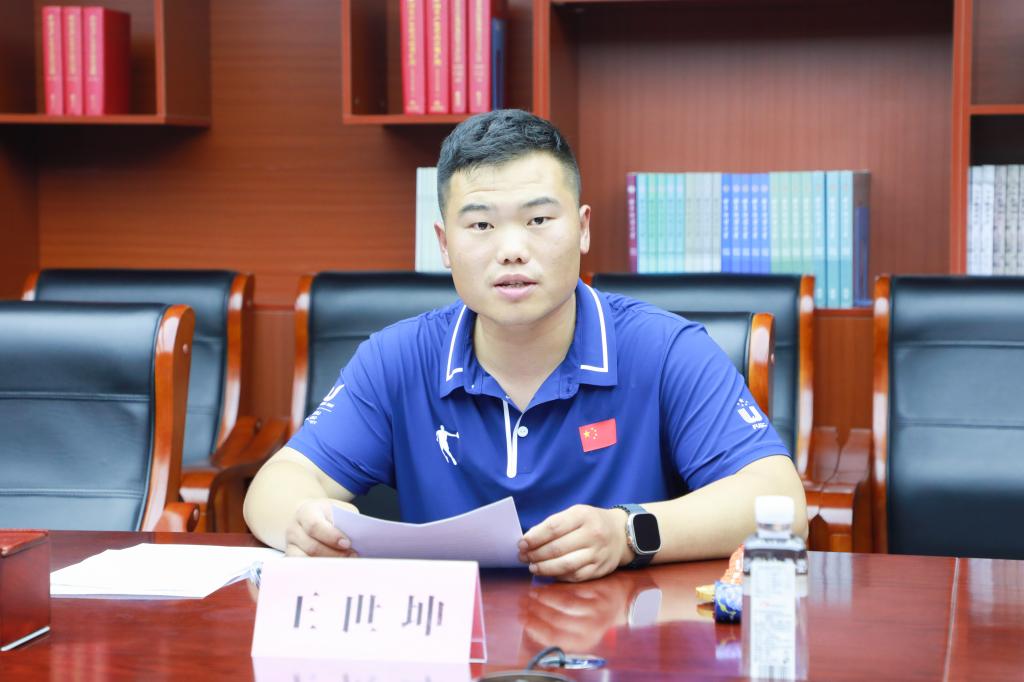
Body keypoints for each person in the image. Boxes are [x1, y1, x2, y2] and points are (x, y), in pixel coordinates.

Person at [244, 109, 807, 582]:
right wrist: (304, 521)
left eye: (538, 219)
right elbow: (276, 484)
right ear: (444, 244)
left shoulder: (665, 350)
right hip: (450, 641)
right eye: (481, 226)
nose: (512, 249)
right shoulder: (397, 358)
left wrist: (627, 532)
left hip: (620, 643)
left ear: (582, 228)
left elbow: (778, 499)